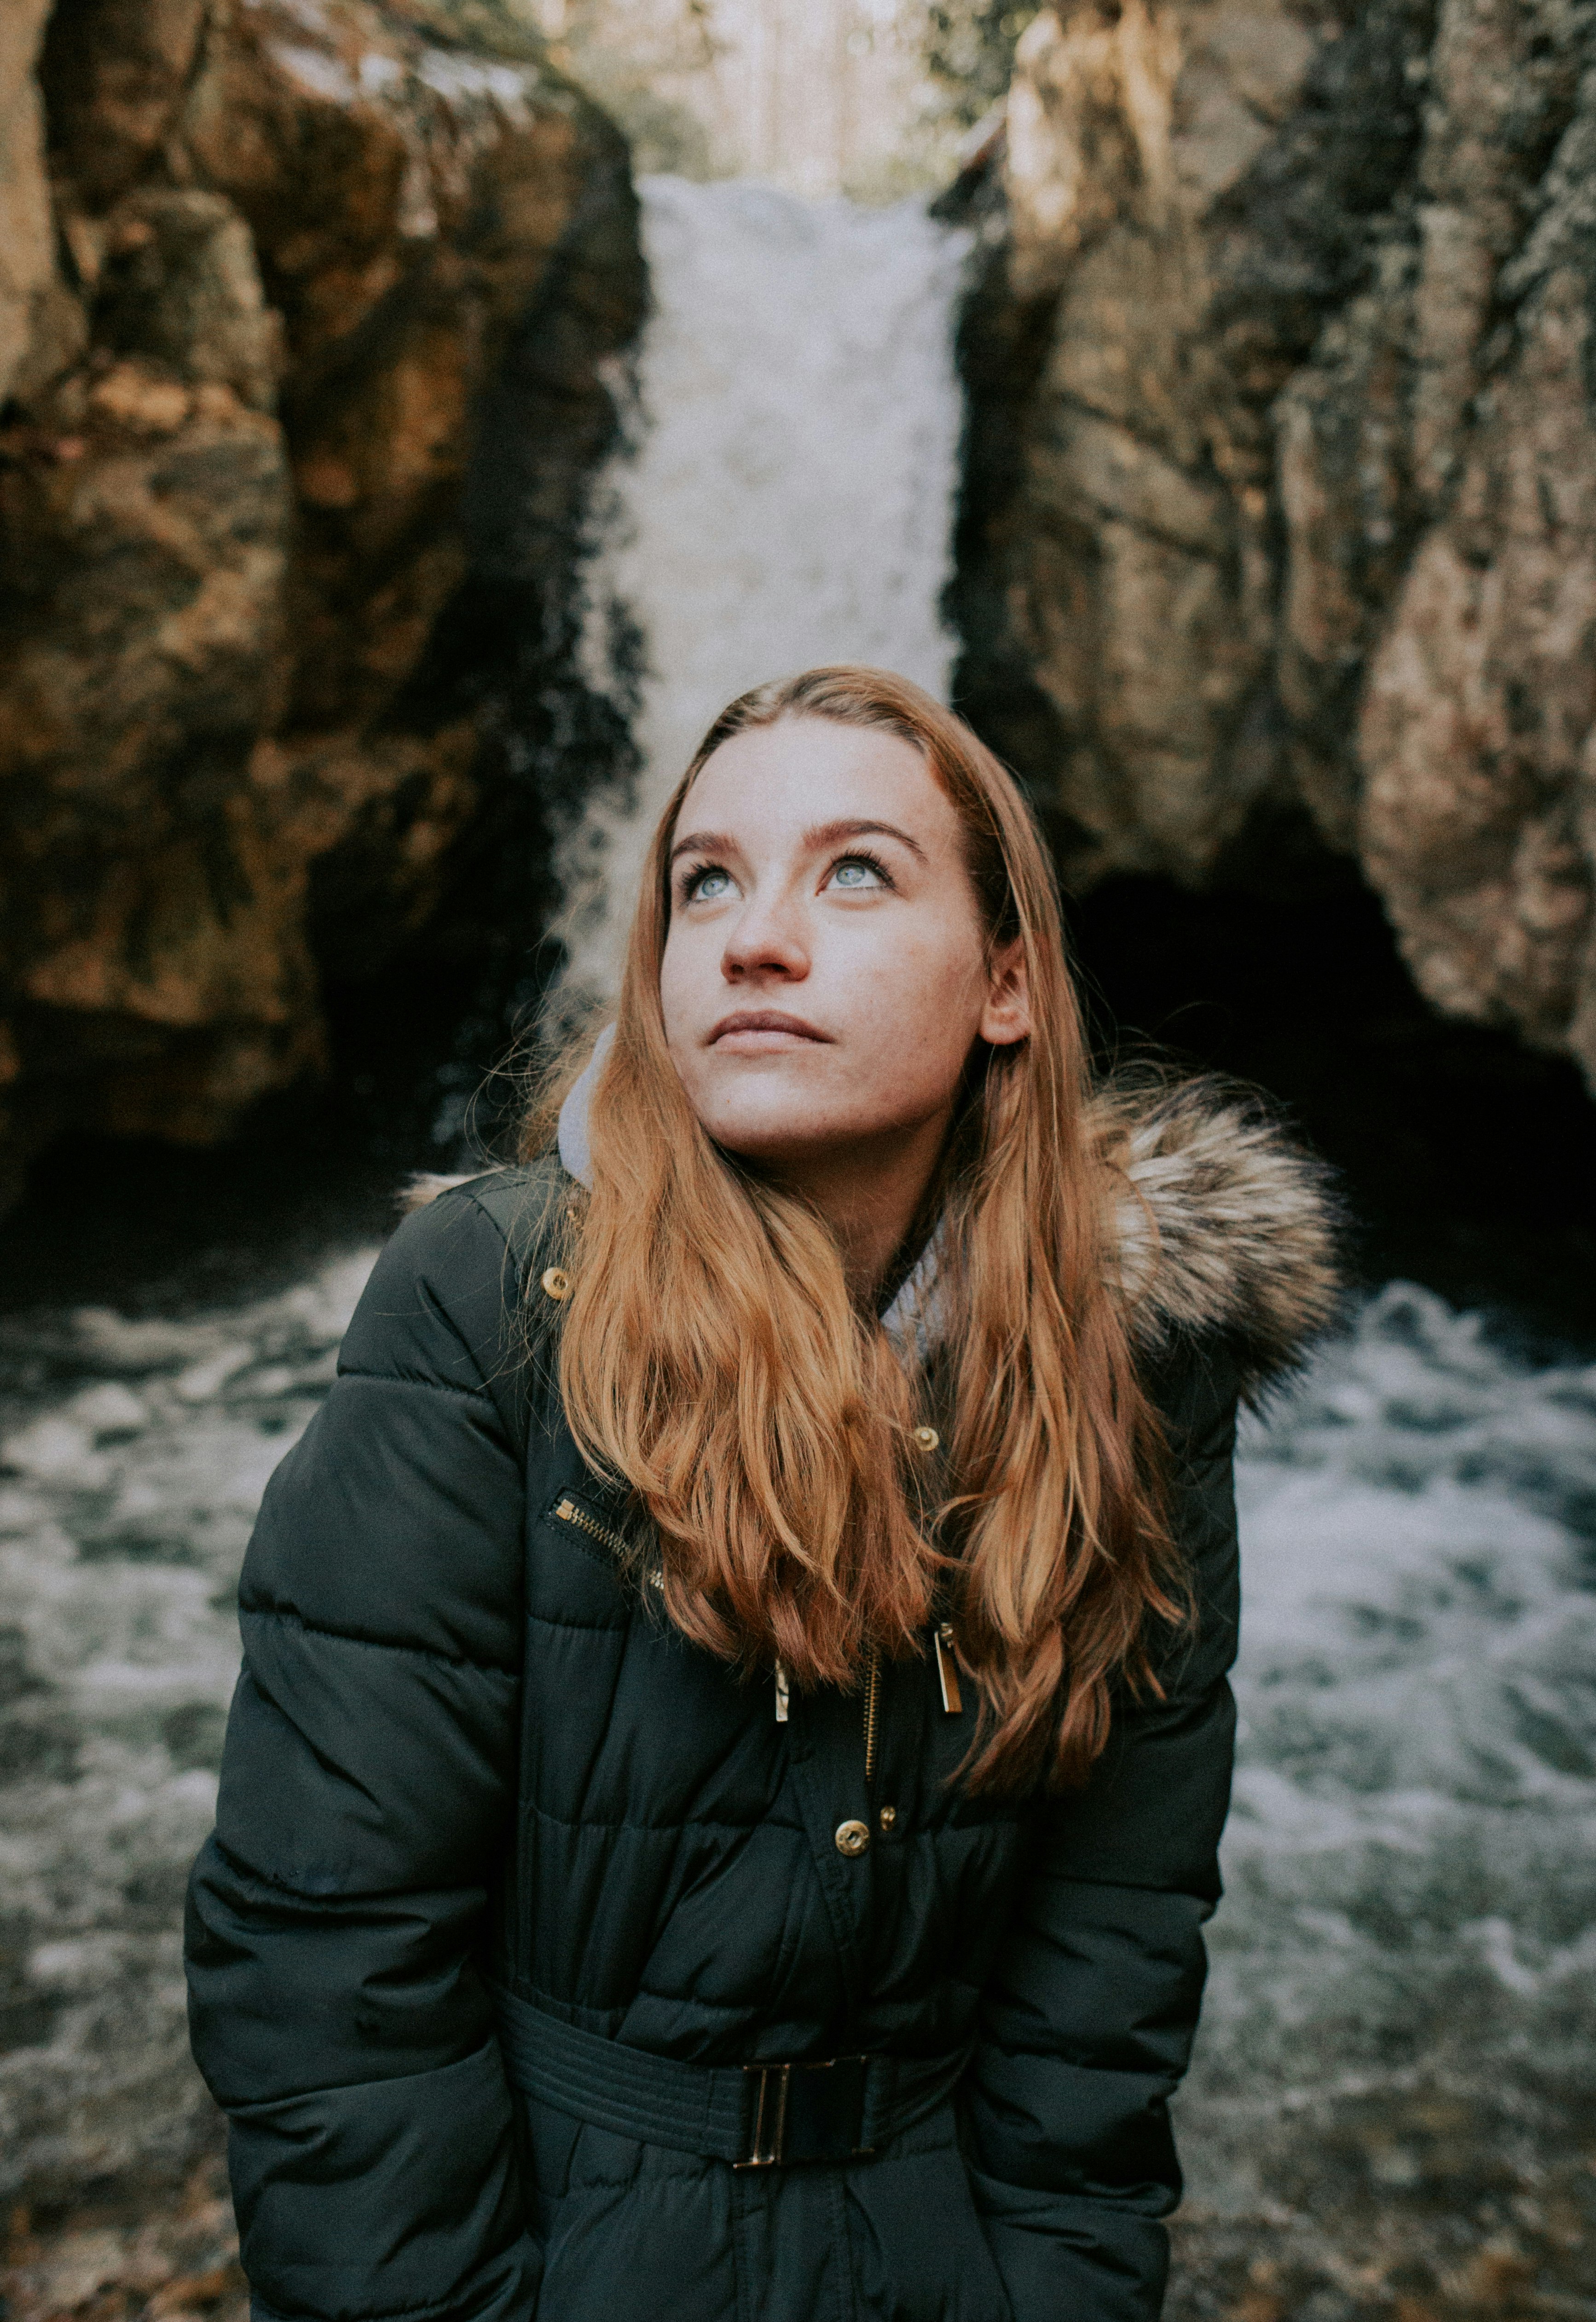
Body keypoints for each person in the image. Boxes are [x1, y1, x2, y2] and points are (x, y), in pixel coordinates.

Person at [185, 666, 1338, 2322]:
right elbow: (322, 1940)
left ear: (1006, 982)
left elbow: (1113, 1955)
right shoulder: (499, 1302)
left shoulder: (1137, 1357)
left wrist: (1053, 2291)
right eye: (703, 881)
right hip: (565, 2254)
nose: (753, 938)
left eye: (853, 872)